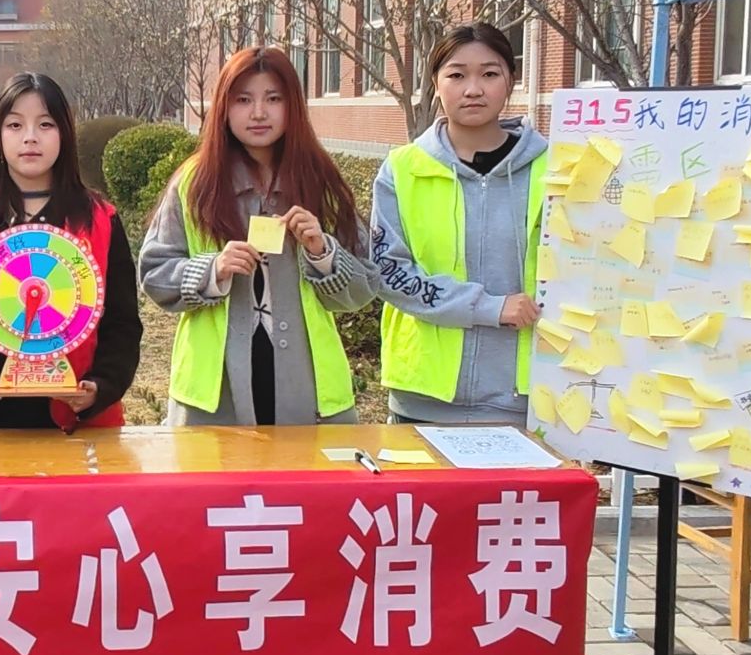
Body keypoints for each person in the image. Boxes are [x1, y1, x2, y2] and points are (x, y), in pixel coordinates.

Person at [140, 46, 373, 425]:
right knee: (218, 465)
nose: (259, 113)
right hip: (215, 391)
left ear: (293, 106)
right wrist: (212, 270)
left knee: (301, 466)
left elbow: (364, 286)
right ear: (224, 108)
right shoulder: (195, 182)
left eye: (274, 99)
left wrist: (322, 252)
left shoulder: (319, 180)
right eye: (243, 100)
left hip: (307, 384)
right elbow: (154, 273)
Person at [0, 74, 142, 471]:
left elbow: (123, 324)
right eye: (14, 125)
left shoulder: (100, 220)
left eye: (45, 124)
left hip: (71, 417)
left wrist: (100, 388)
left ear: (65, 134)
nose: (30, 138)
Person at [372, 22, 549, 426]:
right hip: (423, 400)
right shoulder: (403, 169)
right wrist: (490, 307)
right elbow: (388, 273)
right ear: (436, 84)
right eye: (456, 75)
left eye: (489, 74)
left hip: (522, 400)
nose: (473, 89)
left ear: (510, 81)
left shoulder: (553, 168)